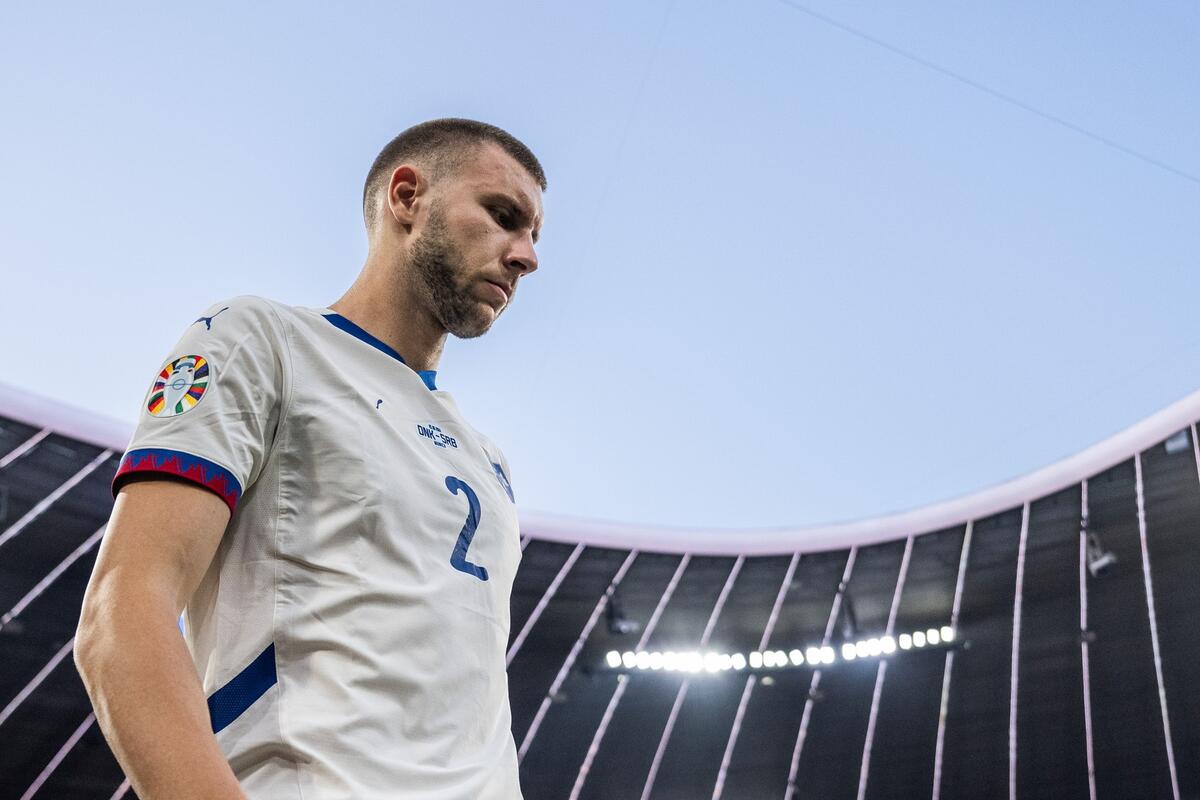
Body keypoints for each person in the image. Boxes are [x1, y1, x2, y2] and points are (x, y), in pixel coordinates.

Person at [75, 118, 545, 799]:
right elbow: (122, 611)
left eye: (535, 236)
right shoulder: (263, 341)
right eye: (504, 216)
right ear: (407, 197)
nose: (526, 256)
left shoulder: (489, 459)